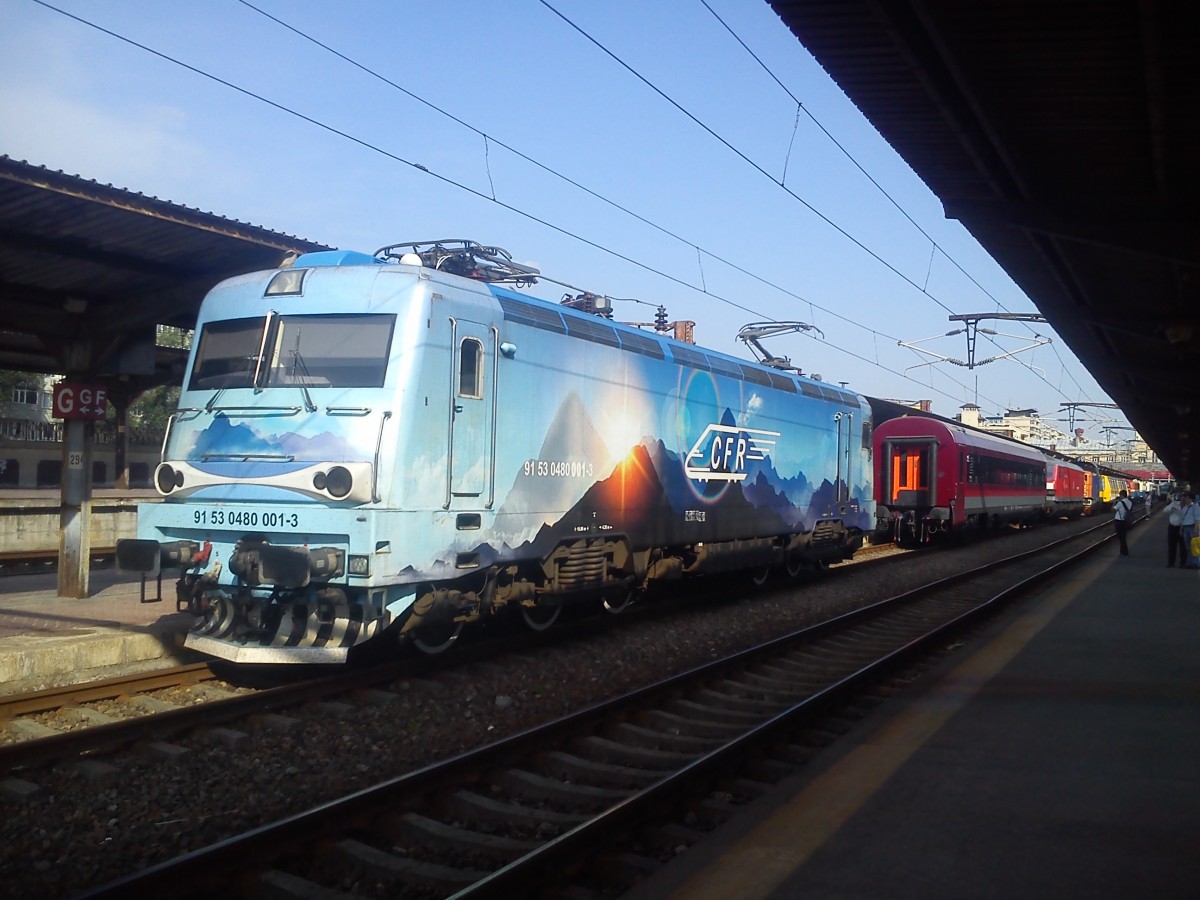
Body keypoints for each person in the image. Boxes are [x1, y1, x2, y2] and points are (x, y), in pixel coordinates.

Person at [1165, 493, 1186, 567]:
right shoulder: (1174, 504)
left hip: (1181, 528)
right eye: (1182, 498)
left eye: (1184, 498)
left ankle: (1183, 563)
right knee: (1171, 545)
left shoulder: (1188, 507)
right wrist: (1171, 509)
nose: (1183, 500)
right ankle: (1171, 562)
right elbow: (1165, 510)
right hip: (1172, 527)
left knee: (1183, 546)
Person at [1181, 493, 1200, 570]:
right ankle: (1190, 563)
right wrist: (1181, 529)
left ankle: (1195, 564)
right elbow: (1182, 519)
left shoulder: (1195, 507)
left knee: (1194, 546)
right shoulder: (1184, 508)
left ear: (1190, 498)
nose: (1185, 498)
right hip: (1185, 527)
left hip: (1192, 527)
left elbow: (1197, 519)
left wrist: (1196, 529)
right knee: (1188, 547)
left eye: (1186, 497)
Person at [1112, 489, 1133, 556]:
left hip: (1119, 521)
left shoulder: (1120, 503)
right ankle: (1123, 551)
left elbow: (1112, 509)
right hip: (1126, 521)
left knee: (1121, 538)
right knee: (1123, 537)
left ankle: (1124, 552)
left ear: (1121, 495)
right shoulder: (1130, 502)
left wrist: (1114, 502)